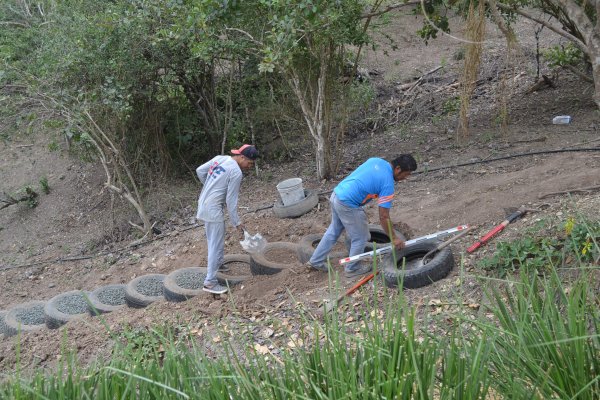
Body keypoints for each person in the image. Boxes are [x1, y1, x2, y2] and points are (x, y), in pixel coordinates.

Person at [308, 154, 417, 277]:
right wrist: (394, 238)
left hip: (337, 194)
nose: (405, 178)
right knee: (361, 237)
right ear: (398, 169)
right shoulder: (388, 184)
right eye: (406, 174)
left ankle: (315, 260)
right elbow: (383, 216)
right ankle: (352, 268)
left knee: (334, 230)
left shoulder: (376, 160)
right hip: (348, 203)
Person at [196, 144, 258, 294]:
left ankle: (218, 263)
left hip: (204, 204)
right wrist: (237, 223)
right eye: (249, 163)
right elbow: (231, 202)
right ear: (242, 157)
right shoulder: (236, 172)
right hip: (213, 209)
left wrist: (210, 186)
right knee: (215, 244)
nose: (249, 167)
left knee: (215, 238)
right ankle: (210, 283)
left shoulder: (220, 159)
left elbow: (200, 171)